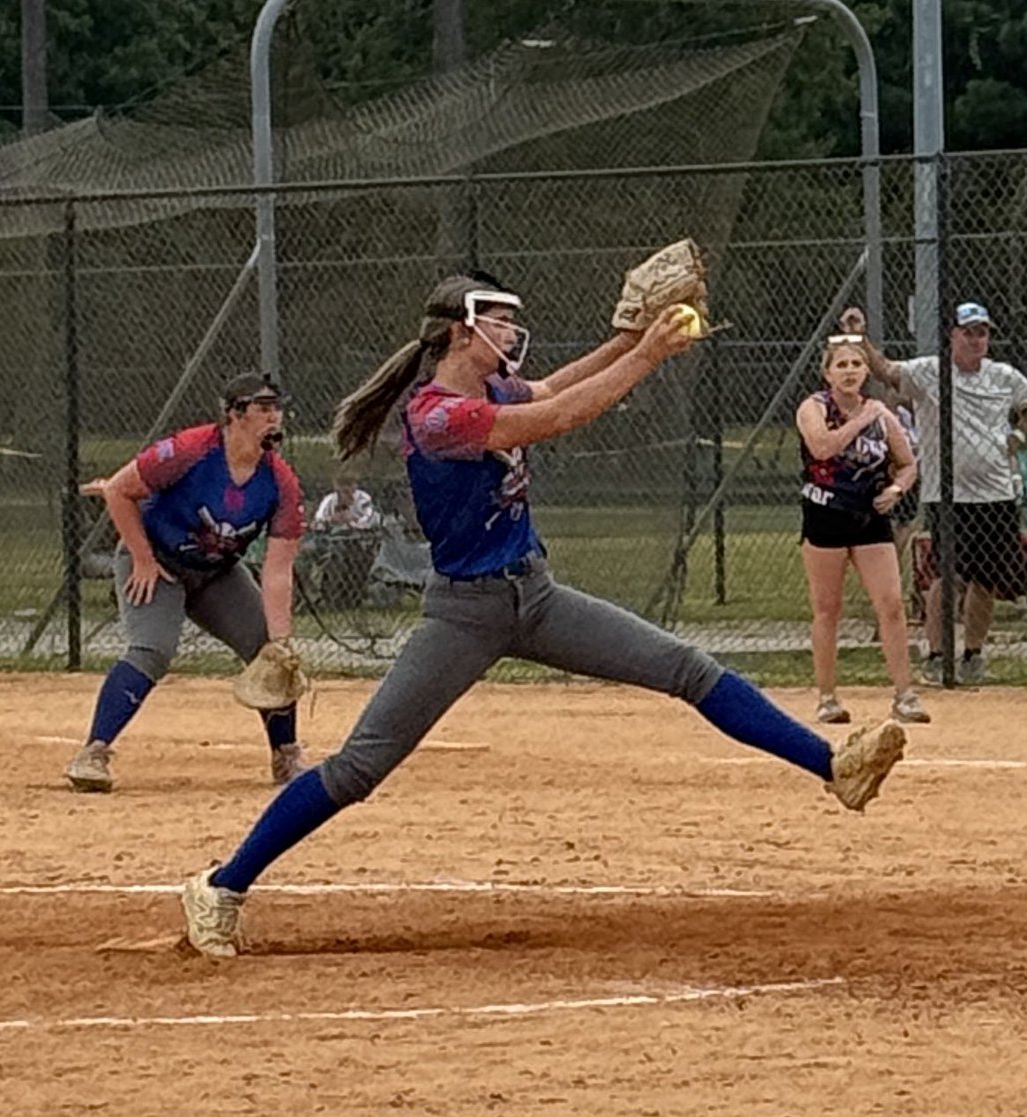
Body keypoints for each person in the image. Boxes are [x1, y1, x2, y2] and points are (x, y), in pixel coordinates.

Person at [177, 276, 908, 956]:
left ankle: (833, 765)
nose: (511, 332)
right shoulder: (438, 415)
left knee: (686, 668)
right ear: (463, 333)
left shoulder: (490, 383)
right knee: (362, 764)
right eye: (499, 321)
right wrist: (649, 354)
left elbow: (554, 385)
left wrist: (629, 337)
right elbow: (555, 415)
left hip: (537, 594)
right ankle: (222, 886)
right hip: (465, 614)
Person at [64, 374, 309, 793]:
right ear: (235, 414)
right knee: (153, 649)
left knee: (270, 653)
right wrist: (140, 556)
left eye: (277, 408)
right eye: (262, 407)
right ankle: (93, 753)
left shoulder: (279, 481)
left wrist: (281, 637)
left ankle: (285, 757)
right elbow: (120, 490)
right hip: (157, 561)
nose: (274, 416)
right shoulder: (191, 450)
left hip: (217, 572)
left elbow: (277, 569)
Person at [841, 302, 1027, 684]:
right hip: (947, 495)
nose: (977, 339)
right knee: (947, 577)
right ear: (953, 335)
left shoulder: (1002, 376)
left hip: (995, 493)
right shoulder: (930, 372)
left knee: (987, 580)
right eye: (969, 332)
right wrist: (859, 336)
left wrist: (1018, 435)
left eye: (982, 332)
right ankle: (936, 655)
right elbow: (884, 371)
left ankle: (974, 655)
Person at [796, 335, 928, 725]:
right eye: (841, 365)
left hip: (870, 518)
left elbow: (907, 464)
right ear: (827, 373)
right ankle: (827, 698)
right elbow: (822, 448)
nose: (850, 371)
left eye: (856, 364)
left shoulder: (880, 414)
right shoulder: (814, 407)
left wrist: (896, 489)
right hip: (826, 515)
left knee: (890, 604)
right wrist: (860, 420)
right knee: (826, 609)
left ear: (866, 370)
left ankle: (905, 695)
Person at [312, 468, 380, 532]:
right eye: (345, 491)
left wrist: (351, 520)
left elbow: (370, 519)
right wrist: (331, 520)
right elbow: (317, 521)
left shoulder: (363, 498)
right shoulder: (329, 500)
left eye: (352, 487)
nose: (350, 493)